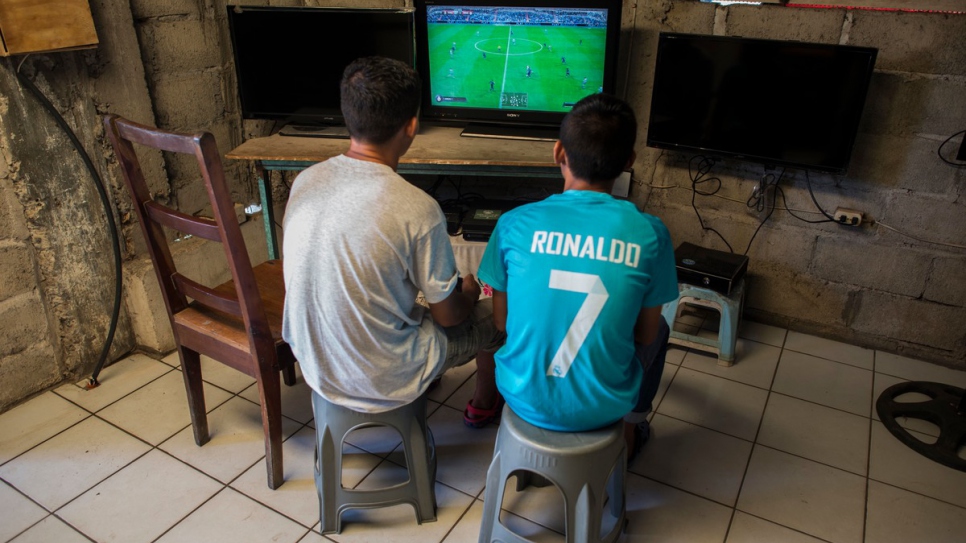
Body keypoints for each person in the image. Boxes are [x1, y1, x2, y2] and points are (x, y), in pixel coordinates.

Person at [283, 56, 504, 427]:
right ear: (412, 126)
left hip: (315, 363)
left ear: (347, 115)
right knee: (497, 316)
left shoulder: (305, 180)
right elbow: (448, 317)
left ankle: (422, 370)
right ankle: (485, 399)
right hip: (382, 375)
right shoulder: (418, 208)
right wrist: (467, 293)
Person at [477, 94, 678, 459]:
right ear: (629, 162)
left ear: (558, 152)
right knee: (660, 328)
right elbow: (645, 335)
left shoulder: (512, 224)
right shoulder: (651, 233)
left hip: (520, 395)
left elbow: (503, 321)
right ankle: (630, 432)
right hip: (604, 406)